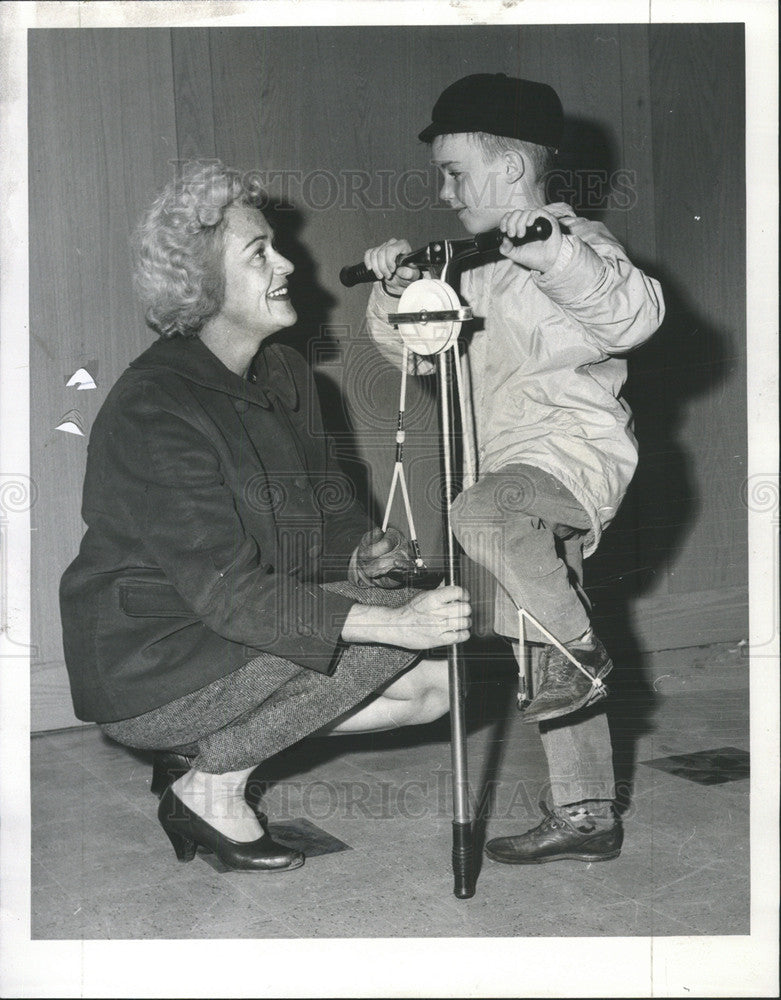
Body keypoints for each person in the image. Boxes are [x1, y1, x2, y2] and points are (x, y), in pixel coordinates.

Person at [59, 161, 471, 873]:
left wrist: (359, 556)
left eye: (275, 246)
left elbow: (326, 498)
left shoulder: (283, 375)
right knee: (400, 625)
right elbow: (226, 591)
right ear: (202, 284)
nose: (287, 264)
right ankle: (210, 786)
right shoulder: (157, 408)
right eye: (259, 254)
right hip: (151, 658)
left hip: (237, 639)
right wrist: (391, 618)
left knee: (438, 685)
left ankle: (209, 756)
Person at [361, 73, 664, 865]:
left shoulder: (577, 242)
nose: (444, 189)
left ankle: (577, 660)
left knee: (488, 526)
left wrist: (553, 254)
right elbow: (411, 358)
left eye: (455, 173)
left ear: (510, 171)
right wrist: (399, 291)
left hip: (572, 455)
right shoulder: (466, 268)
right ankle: (587, 813)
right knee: (535, 627)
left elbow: (631, 317)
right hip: (506, 468)